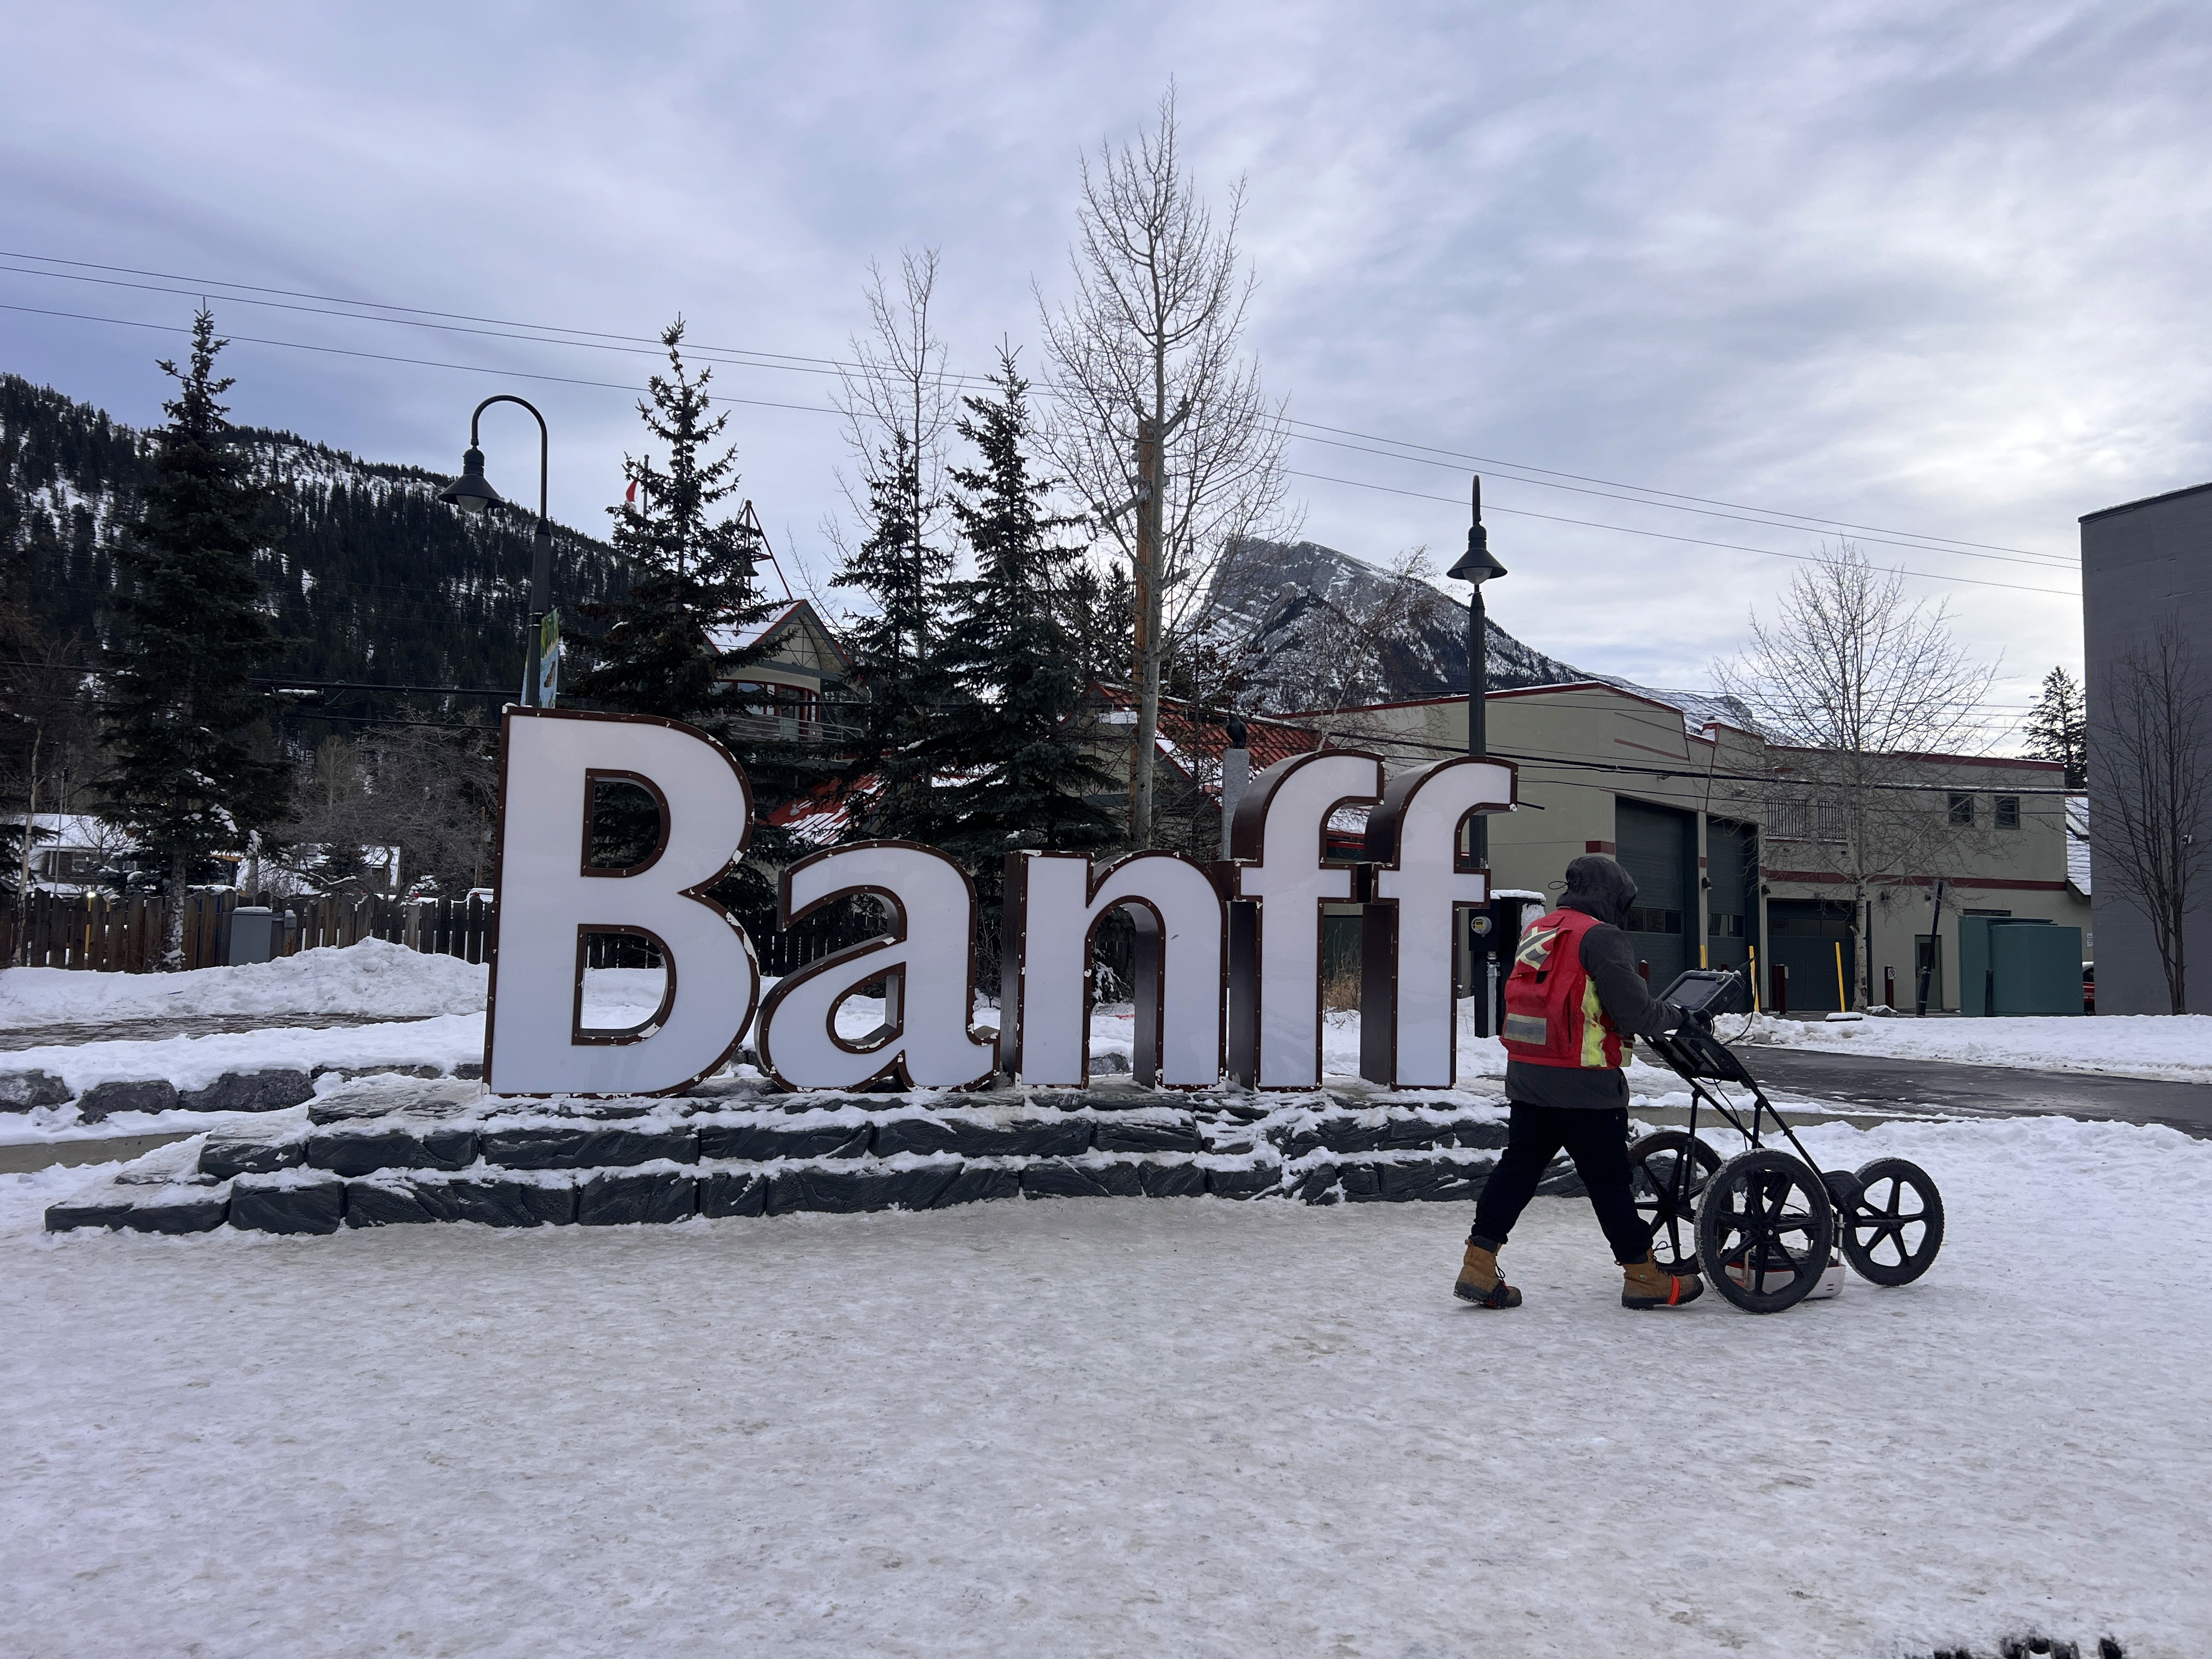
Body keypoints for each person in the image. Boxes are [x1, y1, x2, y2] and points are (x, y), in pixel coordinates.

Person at [1453, 854, 1706, 1311]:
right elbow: (1634, 1013)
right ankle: (1642, 1275)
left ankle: (1479, 1263)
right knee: (1609, 1179)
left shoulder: (1542, 930)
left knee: (1519, 1168)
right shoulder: (1601, 937)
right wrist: (1684, 1017)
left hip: (1530, 1076)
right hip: (1584, 1085)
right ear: (1612, 897)